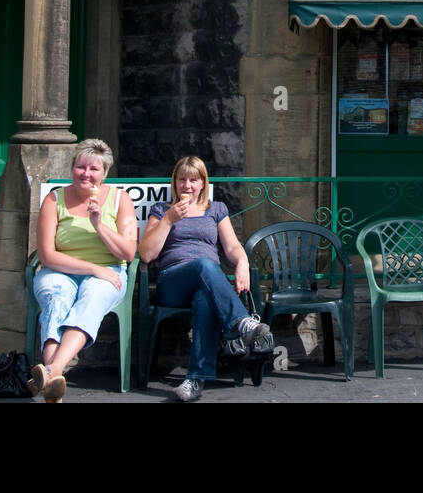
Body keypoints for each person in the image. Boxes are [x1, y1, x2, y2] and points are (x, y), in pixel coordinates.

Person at [139, 155, 272, 402]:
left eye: (193, 180)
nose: (187, 186)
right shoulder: (161, 210)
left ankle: (195, 379)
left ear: (203, 183)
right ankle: (241, 324)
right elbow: (147, 253)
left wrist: (242, 262)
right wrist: (169, 219)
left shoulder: (216, 209)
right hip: (173, 281)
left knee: (204, 300)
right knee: (204, 264)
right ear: (174, 182)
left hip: (206, 283)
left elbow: (232, 246)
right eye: (182, 180)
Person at [28, 138, 137, 403]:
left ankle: (51, 371)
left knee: (93, 298)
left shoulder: (120, 200)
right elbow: (47, 255)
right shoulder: (54, 200)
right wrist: (92, 268)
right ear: (72, 168)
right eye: (81, 167)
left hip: (109, 269)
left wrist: (99, 224)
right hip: (60, 269)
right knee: (56, 296)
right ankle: (55, 376)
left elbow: (128, 253)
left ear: (105, 173)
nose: (86, 174)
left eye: (94, 169)